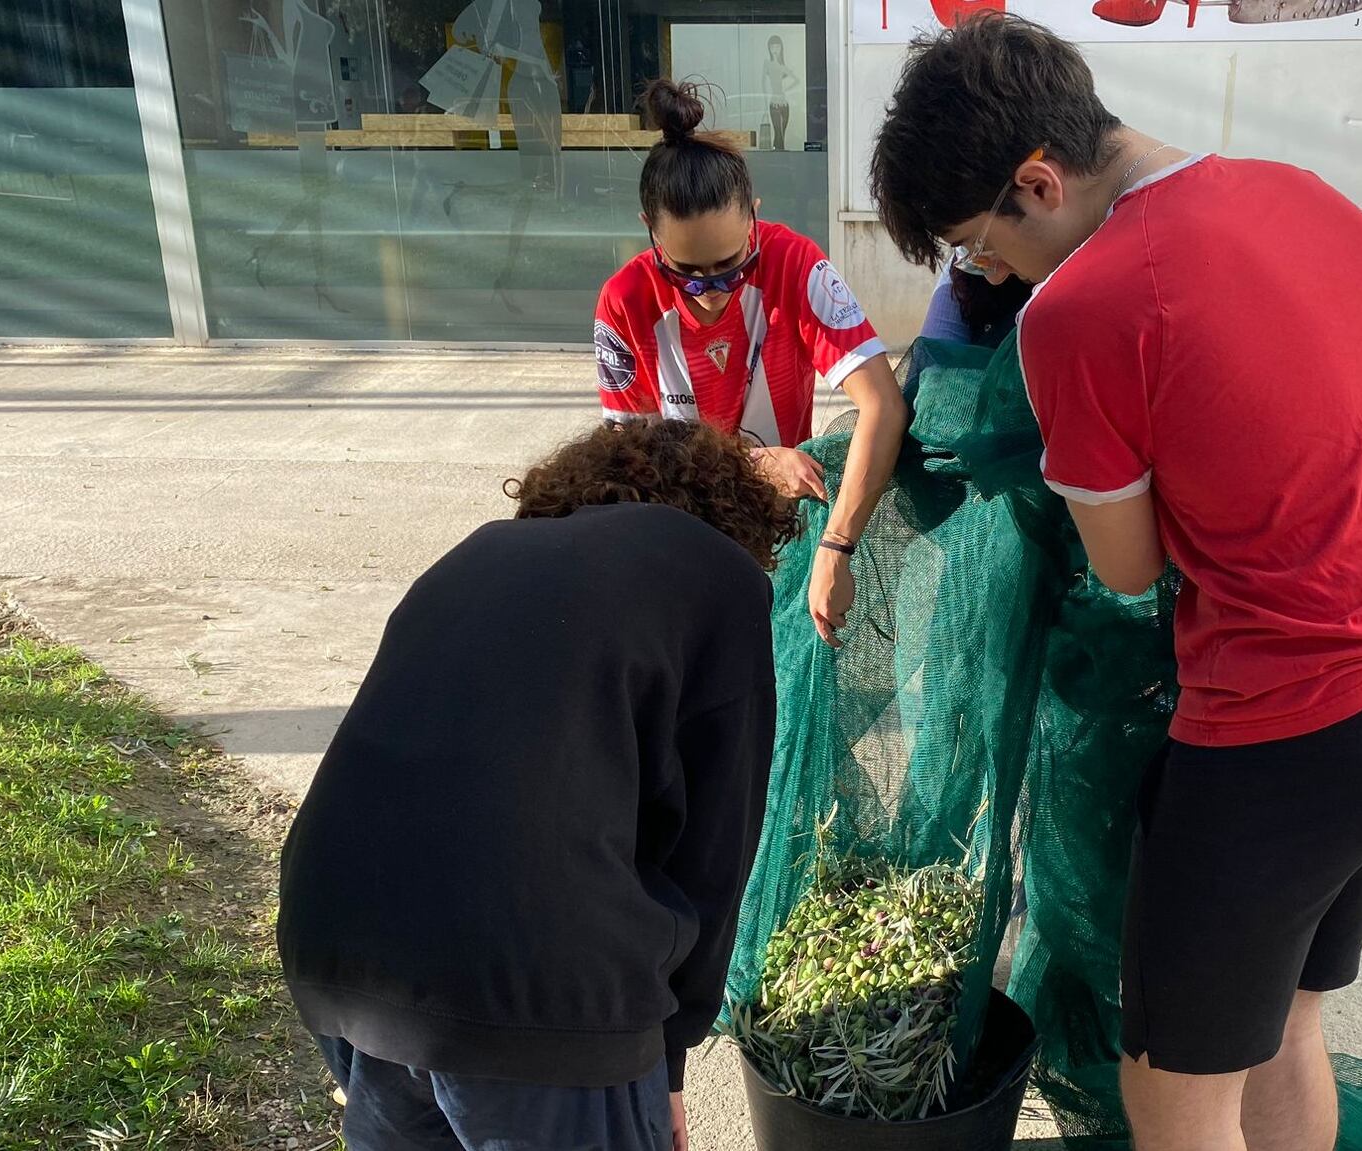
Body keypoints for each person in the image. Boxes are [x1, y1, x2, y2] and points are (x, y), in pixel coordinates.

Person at [870, 16, 1362, 1151]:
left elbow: (1128, 563)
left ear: (1038, 181)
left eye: (978, 245)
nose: (987, 274)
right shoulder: (1304, 192)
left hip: (1287, 726)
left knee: (1172, 1089)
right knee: (1282, 1026)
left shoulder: (1081, 308)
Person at [279, 419, 793, 1151]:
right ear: (731, 516)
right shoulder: (718, 576)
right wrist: (666, 1058)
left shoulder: (477, 551)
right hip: (534, 986)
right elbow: (713, 851)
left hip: (334, 940)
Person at [595, 79, 907, 647]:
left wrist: (837, 546)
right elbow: (628, 466)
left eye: (732, 264)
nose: (712, 290)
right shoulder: (624, 300)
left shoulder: (797, 265)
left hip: (781, 529)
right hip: (679, 534)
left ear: (755, 219)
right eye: (686, 271)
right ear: (649, 231)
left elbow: (883, 406)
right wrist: (757, 462)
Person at [762, 35, 798, 151]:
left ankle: (780, 154)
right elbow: (763, 83)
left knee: (782, 132)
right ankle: (778, 155)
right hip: (774, 102)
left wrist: (786, 91)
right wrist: (765, 100)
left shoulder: (782, 66)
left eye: (777, 46)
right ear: (769, 48)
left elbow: (796, 80)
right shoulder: (767, 63)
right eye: (772, 46)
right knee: (778, 131)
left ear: (781, 48)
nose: (775, 49)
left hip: (784, 102)